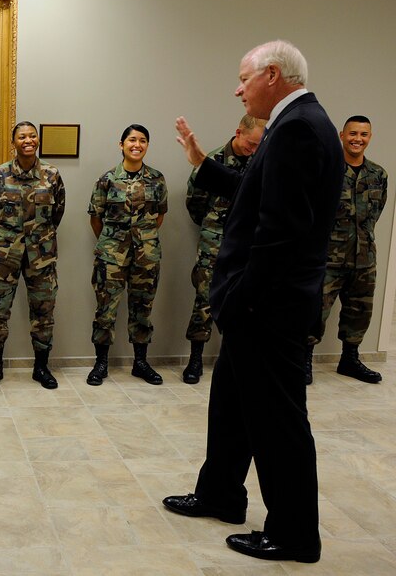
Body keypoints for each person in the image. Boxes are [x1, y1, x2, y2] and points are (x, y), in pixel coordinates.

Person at [162, 40, 343, 564]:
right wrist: (202, 162)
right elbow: (257, 192)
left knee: (277, 421)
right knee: (232, 405)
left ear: (272, 75)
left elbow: (281, 232)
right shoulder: (295, 123)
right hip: (263, 304)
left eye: (244, 79)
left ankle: (294, 534)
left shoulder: (299, 128)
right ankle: (221, 493)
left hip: (269, 307)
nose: (238, 90)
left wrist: (241, 299)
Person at [0, 121, 66, 389]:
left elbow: (58, 212)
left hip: (42, 256)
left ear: (37, 140)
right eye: (22, 137)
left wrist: (39, 237)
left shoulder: (51, 175)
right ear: (13, 142)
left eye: (32, 136)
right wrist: (5, 238)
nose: (28, 140)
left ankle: (41, 368)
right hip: (5, 255)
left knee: (43, 313)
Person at [182, 115, 266, 384]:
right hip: (214, 242)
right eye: (251, 144)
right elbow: (195, 203)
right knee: (204, 300)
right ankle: (196, 358)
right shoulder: (213, 161)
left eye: (259, 145)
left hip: (250, 245)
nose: (253, 149)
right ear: (238, 132)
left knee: (246, 303)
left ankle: (234, 359)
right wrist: (214, 228)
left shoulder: (261, 163)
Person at [306, 116, 387, 384]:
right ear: (342, 135)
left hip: (364, 259)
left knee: (359, 311)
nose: (357, 139)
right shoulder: (324, 171)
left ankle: (349, 360)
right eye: (353, 133)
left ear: (370, 137)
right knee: (315, 312)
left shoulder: (378, 175)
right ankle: (304, 360)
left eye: (363, 134)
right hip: (328, 258)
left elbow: (376, 213)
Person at [87, 124, 167, 386]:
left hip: (146, 255)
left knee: (142, 309)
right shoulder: (107, 179)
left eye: (143, 140)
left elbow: (160, 216)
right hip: (112, 256)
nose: (137, 145)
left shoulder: (157, 179)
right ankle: (101, 364)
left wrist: (142, 239)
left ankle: (140, 363)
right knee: (105, 310)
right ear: (121, 145)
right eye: (132, 140)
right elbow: (96, 218)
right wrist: (113, 243)